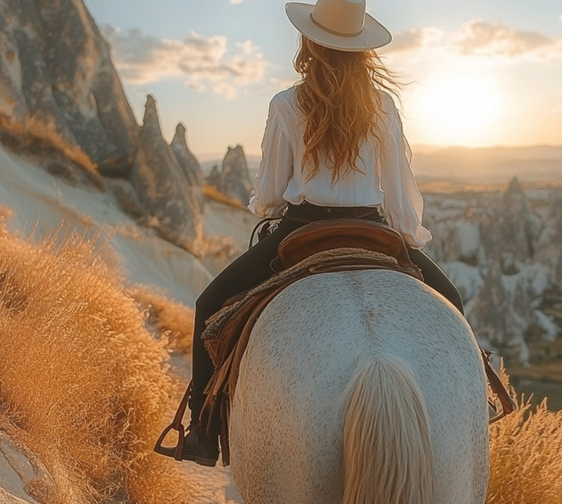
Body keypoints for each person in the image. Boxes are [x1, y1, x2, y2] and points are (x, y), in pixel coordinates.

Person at [182, 0, 465, 466]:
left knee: (208, 306)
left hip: (303, 226)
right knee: (450, 300)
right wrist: (409, 238)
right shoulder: (383, 106)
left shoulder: (286, 103)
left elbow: (271, 193)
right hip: (372, 226)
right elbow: (398, 193)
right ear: (362, 48)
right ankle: (471, 421)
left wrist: (266, 208)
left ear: (309, 41)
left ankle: (202, 433)